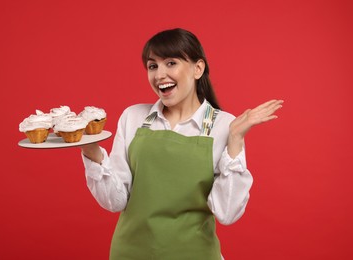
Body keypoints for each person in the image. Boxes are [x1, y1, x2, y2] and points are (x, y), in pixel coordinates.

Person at [80, 28, 283, 260]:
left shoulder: (225, 126)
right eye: (152, 66)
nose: (159, 75)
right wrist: (91, 149)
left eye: (171, 63)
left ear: (198, 68)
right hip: (130, 252)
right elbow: (115, 201)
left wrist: (235, 140)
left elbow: (227, 213)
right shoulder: (133, 117)